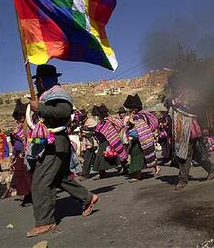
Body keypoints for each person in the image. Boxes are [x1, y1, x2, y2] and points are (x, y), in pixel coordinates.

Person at [27, 65, 98, 237]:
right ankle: (87, 198)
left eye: (38, 81)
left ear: (45, 80)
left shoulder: (58, 93)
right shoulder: (47, 95)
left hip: (55, 143)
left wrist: (40, 108)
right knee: (59, 178)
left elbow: (64, 111)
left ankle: (45, 222)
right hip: (52, 143)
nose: (36, 85)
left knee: (41, 180)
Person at [172, 99, 214, 191]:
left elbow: (200, 110)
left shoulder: (190, 96)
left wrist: (204, 126)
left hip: (192, 129)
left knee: (184, 155)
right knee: (196, 154)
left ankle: (183, 180)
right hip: (181, 130)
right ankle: (212, 169)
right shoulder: (176, 98)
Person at [123, 94, 161, 181]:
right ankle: (154, 169)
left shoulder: (141, 115)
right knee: (141, 155)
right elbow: (129, 126)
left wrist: (132, 122)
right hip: (136, 139)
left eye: (132, 108)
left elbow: (141, 126)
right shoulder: (134, 115)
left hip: (144, 138)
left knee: (140, 155)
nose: (130, 110)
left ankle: (138, 175)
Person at [92, 104, 127, 180]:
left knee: (102, 156)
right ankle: (103, 172)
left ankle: (101, 173)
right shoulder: (103, 122)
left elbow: (117, 126)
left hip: (108, 141)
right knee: (112, 155)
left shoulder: (107, 121)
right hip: (104, 141)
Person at [10, 99, 33, 206]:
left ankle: (32, 194)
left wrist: (29, 143)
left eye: (20, 118)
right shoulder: (18, 128)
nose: (19, 121)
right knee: (20, 173)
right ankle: (27, 195)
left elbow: (40, 139)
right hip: (20, 154)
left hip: (30, 154)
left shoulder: (31, 125)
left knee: (28, 175)